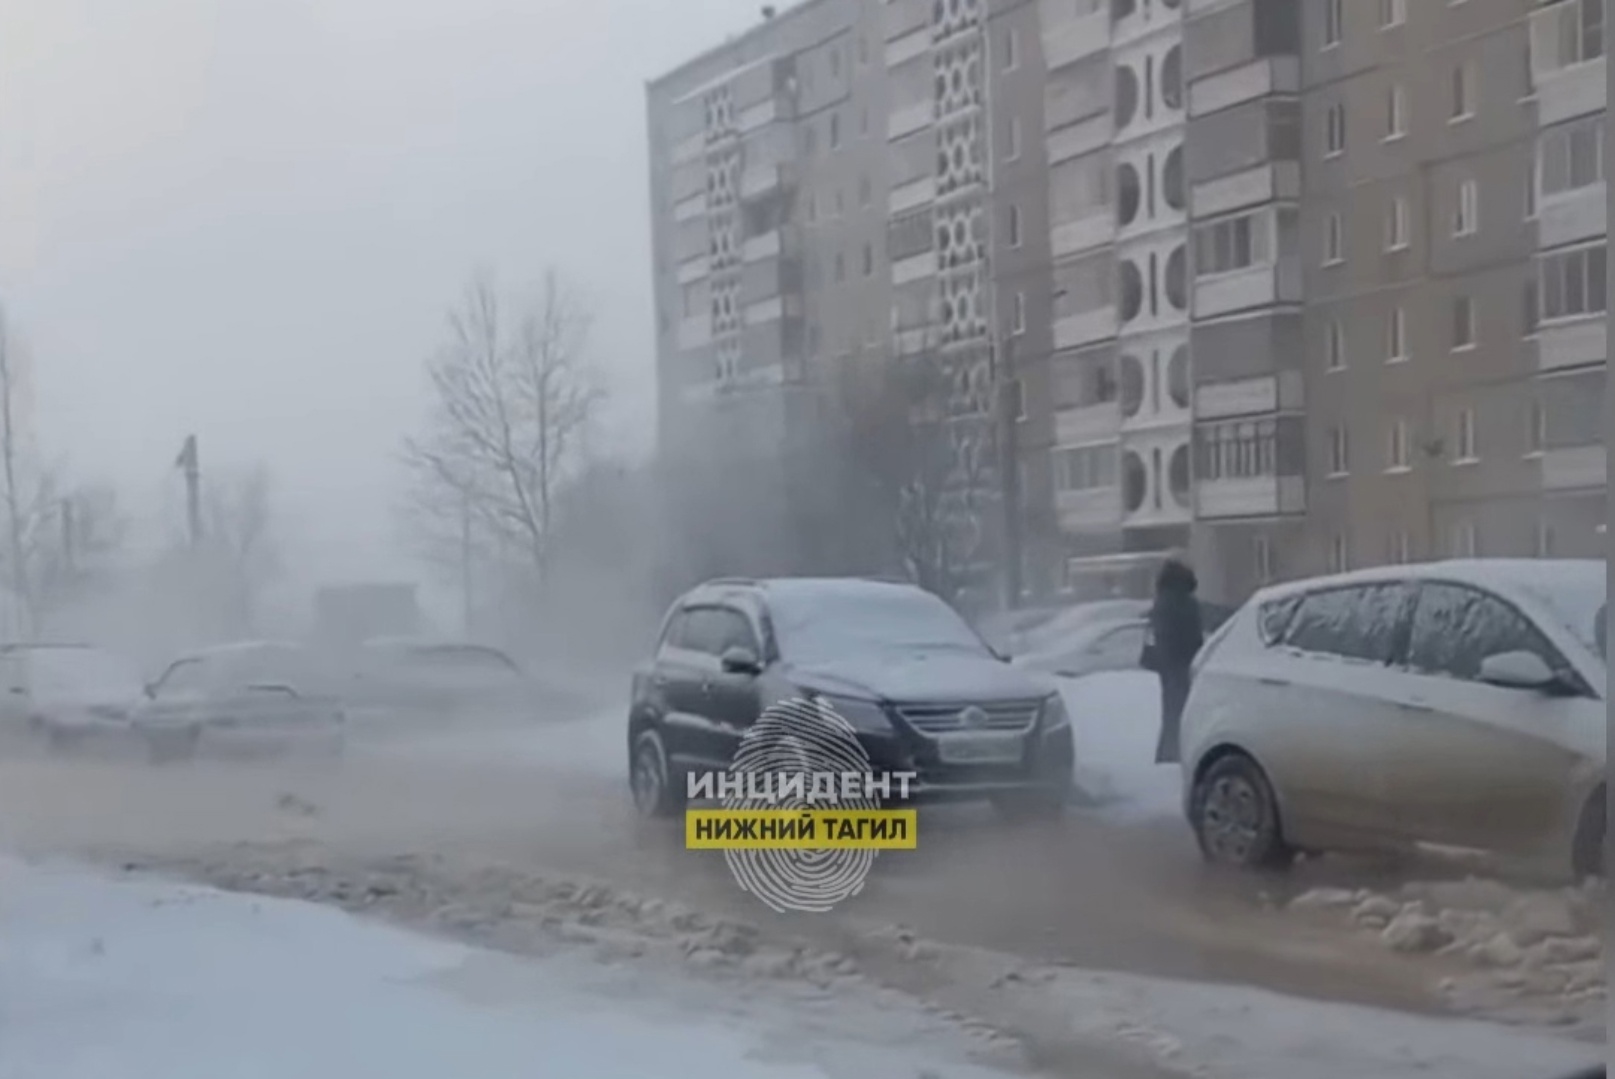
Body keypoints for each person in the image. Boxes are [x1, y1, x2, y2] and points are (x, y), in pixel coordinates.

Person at [1141, 557, 1202, 765]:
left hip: (1168, 664)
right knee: (1181, 712)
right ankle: (1174, 755)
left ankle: (1167, 755)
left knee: (1171, 711)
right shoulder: (1183, 602)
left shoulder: (1163, 600)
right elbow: (1191, 635)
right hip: (1182, 663)